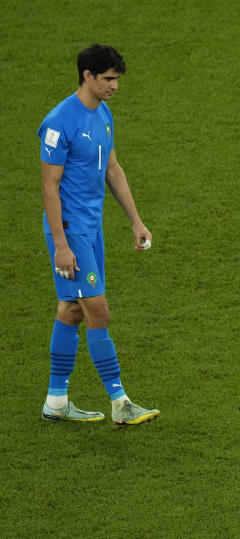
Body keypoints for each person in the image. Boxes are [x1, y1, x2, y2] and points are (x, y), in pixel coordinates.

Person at [38, 43, 159, 427]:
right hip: (70, 233)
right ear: (87, 76)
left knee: (71, 309)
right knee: (97, 310)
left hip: (93, 229)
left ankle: (56, 401)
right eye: (108, 79)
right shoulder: (59, 123)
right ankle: (120, 402)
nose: (115, 87)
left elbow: (113, 169)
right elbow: (49, 187)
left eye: (117, 79)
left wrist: (136, 220)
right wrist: (60, 244)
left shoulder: (103, 113)